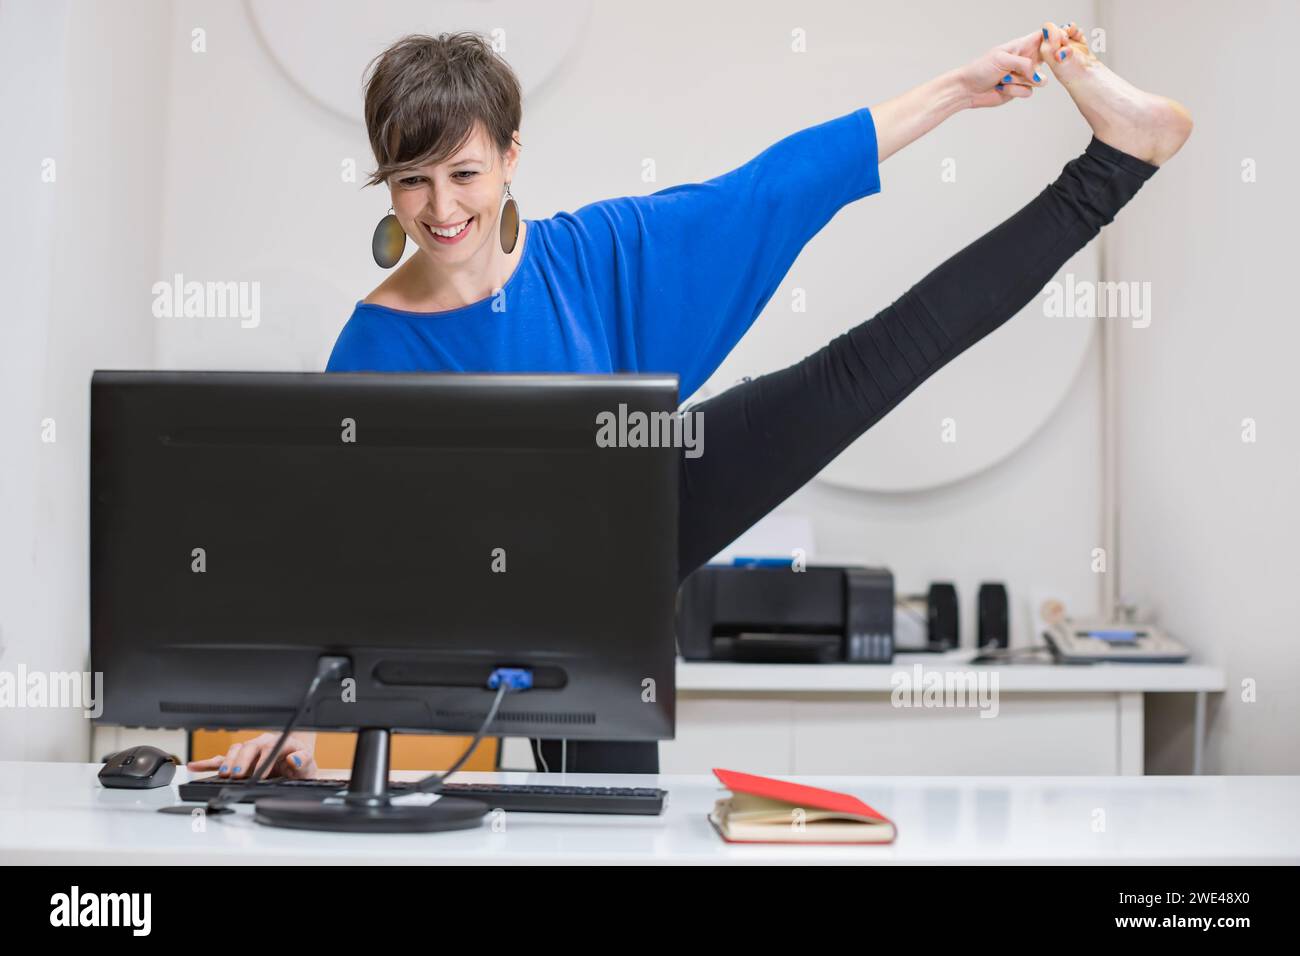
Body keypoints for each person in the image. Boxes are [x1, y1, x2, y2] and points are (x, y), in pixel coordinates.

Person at [188, 21, 1191, 780]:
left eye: (464, 172)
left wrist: (958, 90)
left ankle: (1113, 166)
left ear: (510, 159)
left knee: (873, 362)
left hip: (635, 519)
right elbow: (332, 572)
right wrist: (284, 734)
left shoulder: (592, 254)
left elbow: (775, 187)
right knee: (595, 804)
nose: (442, 210)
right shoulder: (370, 347)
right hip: (514, 615)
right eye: (412, 182)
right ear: (386, 182)